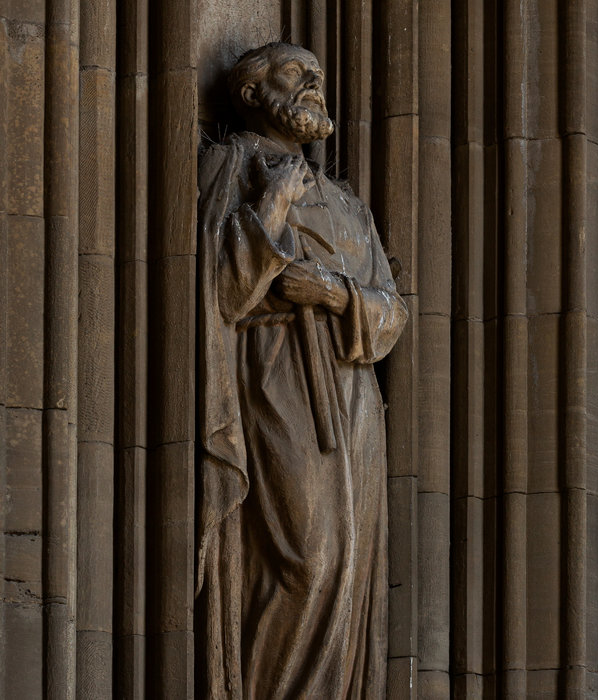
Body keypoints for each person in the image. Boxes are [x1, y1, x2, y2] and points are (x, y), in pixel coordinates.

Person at [197, 42, 407, 699]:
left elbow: (392, 314)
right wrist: (271, 213)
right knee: (305, 562)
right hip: (274, 376)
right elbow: (214, 294)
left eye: (318, 72)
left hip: (351, 395)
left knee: (348, 570)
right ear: (255, 94)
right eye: (297, 72)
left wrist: (336, 294)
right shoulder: (228, 165)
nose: (315, 81)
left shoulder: (348, 206)